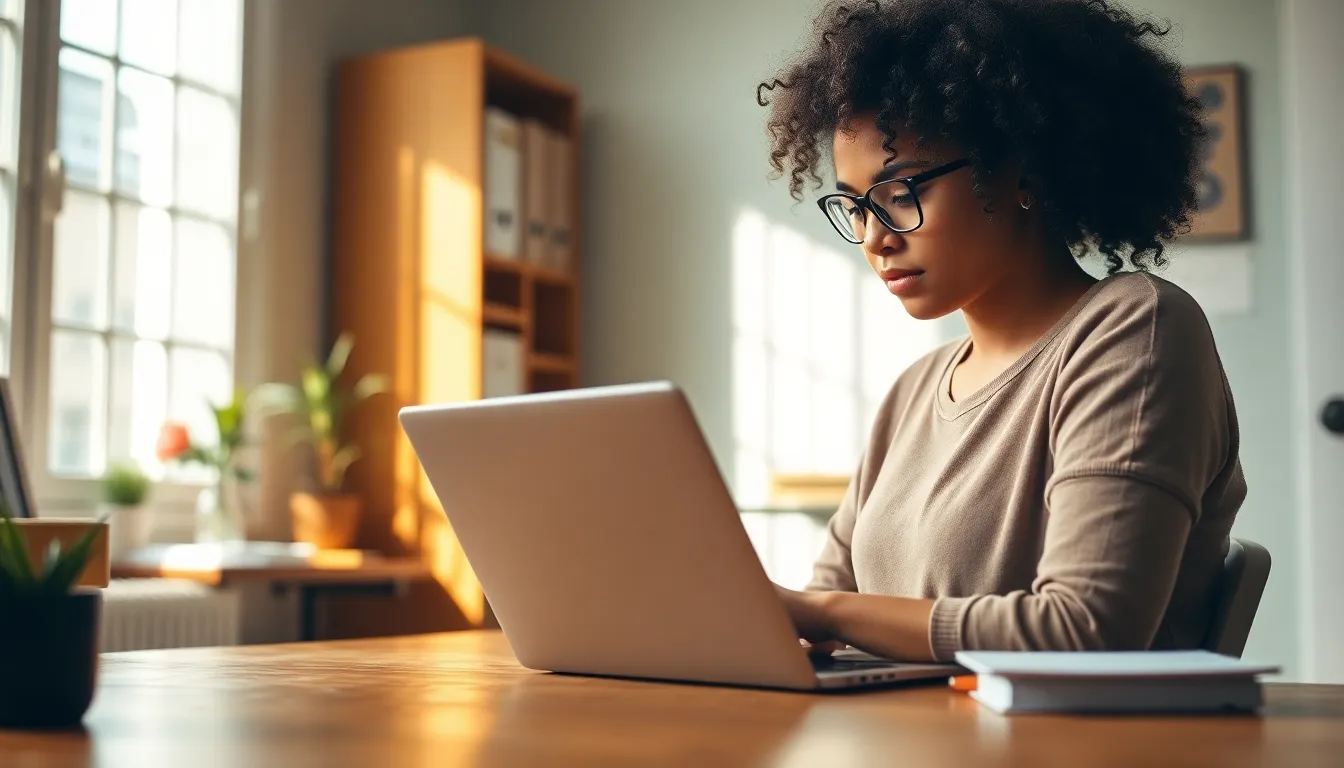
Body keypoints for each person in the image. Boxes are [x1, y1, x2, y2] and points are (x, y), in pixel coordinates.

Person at [756, 0, 1245, 663]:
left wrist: (825, 612)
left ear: (1019, 173)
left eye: (900, 194)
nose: (873, 238)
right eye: (855, 204)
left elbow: (1086, 630)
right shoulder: (914, 391)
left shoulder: (1136, 329)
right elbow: (818, 628)